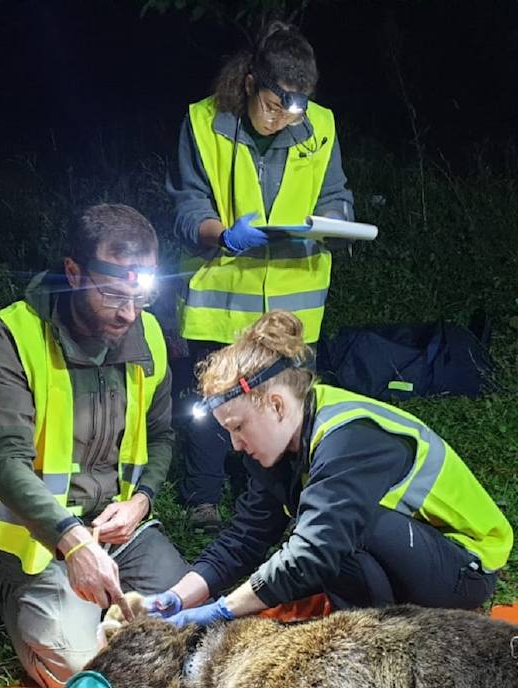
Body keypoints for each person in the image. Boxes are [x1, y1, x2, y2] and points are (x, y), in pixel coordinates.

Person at [143, 310, 513, 627]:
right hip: (408, 555)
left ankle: (380, 644)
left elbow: (315, 550)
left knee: (333, 536)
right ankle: (375, 632)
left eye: (238, 427)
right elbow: (246, 537)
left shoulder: (349, 437)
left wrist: (224, 610)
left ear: (275, 405)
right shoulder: (280, 446)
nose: (236, 445)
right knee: (322, 541)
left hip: (464, 567)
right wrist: (179, 598)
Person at [0, 203, 189, 688]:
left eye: (141, 296)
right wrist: (72, 541)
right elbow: (4, 462)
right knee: (85, 672)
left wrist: (141, 501)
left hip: (121, 530)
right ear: (73, 273)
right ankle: (6, 588)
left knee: (196, 627)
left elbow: (162, 436)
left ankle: (101, 601)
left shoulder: (146, 332)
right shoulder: (11, 337)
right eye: (112, 294)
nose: (128, 313)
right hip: (42, 542)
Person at [166, 21, 354, 531]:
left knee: (280, 403)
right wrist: (222, 235)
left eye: (296, 107)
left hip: (293, 307)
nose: (285, 118)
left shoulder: (320, 125)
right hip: (221, 299)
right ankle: (201, 498)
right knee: (211, 400)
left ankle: (273, 499)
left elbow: (335, 192)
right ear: (250, 83)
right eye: (275, 105)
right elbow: (186, 206)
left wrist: (337, 223)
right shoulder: (202, 123)